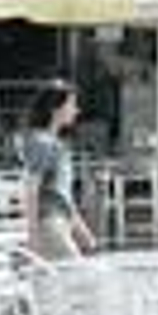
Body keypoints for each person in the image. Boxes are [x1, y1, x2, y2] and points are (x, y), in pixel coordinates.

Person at [22, 80, 96, 261]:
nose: (76, 110)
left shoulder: (53, 143)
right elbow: (31, 190)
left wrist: (81, 229)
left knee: (66, 283)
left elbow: (62, 194)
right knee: (79, 280)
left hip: (58, 223)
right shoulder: (42, 143)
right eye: (72, 104)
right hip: (50, 225)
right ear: (56, 109)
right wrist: (32, 236)